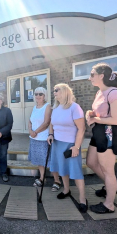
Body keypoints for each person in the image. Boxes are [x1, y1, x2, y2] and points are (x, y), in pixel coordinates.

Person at [86, 62, 117, 214]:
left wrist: (95, 120)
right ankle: (110, 188)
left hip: (109, 134)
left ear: (101, 76)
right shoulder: (100, 93)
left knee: (108, 170)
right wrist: (90, 114)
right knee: (91, 162)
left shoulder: (114, 93)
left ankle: (109, 204)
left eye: (92, 75)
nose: (90, 78)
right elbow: (99, 112)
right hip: (99, 132)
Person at [48, 84, 87, 213]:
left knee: (75, 171)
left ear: (65, 92)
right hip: (57, 143)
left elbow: (82, 129)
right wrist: (50, 134)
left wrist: (76, 146)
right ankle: (66, 190)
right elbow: (51, 123)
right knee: (62, 169)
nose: (54, 93)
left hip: (70, 144)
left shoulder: (75, 108)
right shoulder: (56, 108)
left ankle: (82, 199)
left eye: (56, 90)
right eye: (54, 91)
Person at [28, 87, 60, 188]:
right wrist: (30, 131)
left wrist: (35, 132)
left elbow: (46, 122)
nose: (38, 96)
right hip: (34, 138)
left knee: (49, 160)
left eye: (40, 94)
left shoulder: (47, 106)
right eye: (36, 94)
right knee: (39, 160)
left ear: (44, 95)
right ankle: (42, 178)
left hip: (43, 139)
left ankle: (57, 180)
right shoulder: (35, 107)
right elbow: (30, 121)